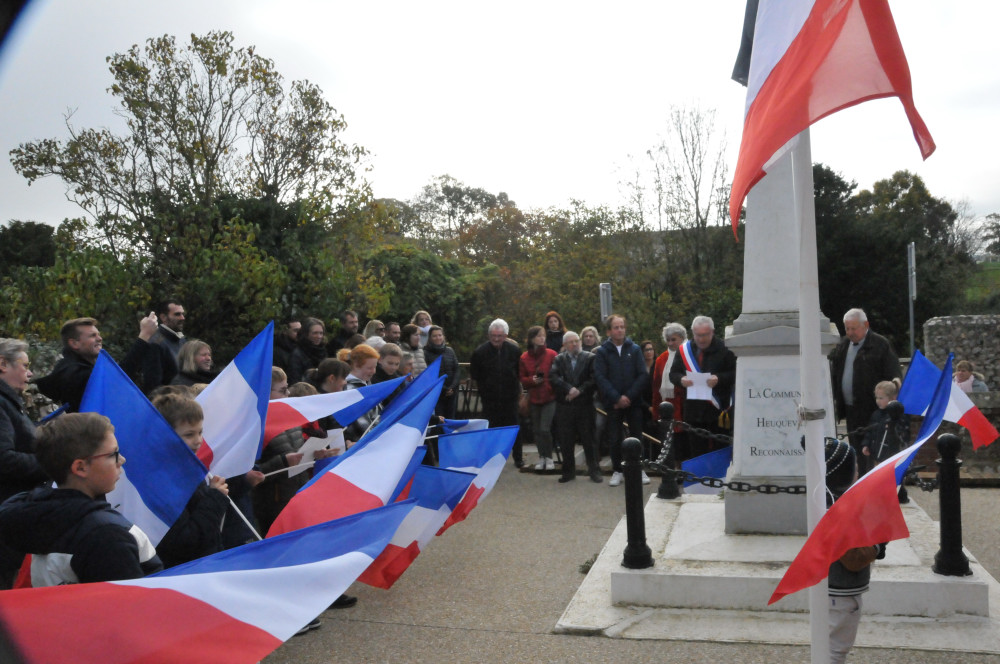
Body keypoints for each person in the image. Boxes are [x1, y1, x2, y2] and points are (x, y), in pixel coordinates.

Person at [0, 412, 163, 586]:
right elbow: (126, 607)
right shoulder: (107, 537)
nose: (121, 460)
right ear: (81, 467)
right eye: (113, 454)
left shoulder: (27, 511)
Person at [824, 437, 886, 664]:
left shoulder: (826, 499)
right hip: (842, 589)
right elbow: (852, 557)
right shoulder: (839, 509)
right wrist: (879, 544)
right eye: (856, 468)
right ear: (844, 473)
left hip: (831, 588)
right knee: (835, 650)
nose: (859, 472)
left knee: (828, 645)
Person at [151, 393, 229, 568]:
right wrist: (215, 498)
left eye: (200, 432)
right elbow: (187, 540)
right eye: (189, 434)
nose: (198, 441)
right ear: (165, 435)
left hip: (204, 565)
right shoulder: (162, 480)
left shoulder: (185, 468)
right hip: (185, 570)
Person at [34, 313, 163, 411]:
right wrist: (144, 336)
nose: (99, 339)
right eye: (92, 336)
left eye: (98, 334)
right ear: (74, 343)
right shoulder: (72, 372)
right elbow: (116, 380)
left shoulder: (81, 367)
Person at [0, 339, 49, 588]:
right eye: (25, 365)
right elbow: (4, 459)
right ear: (2, 364)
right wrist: (51, 462)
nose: (29, 373)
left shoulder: (9, 402)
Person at [829, 308, 901, 474]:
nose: (850, 332)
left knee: (874, 449)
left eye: (854, 328)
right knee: (857, 449)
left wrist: (890, 393)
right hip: (850, 407)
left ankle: (880, 485)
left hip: (872, 408)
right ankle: (862, 482)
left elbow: (894, 372)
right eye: (847, 328)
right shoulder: (843, 344)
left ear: (866, 325)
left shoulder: (880, 344)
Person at [593, 314, 650, 487]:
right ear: (609, 331)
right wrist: (617, 398)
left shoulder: (634, 349)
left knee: (636, 435)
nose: (619, 330)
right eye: (616, 327)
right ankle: (617, 470)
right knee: (615, 437)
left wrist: (629, 397)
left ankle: (639, 468)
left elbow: (642, 375)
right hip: (613, 403)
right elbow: (600, 377)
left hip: (634, 402)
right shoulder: (602, 352)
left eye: (622, 327)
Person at [669, 316, 737, 457]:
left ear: (712, 332)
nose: (701, 339)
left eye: (705, 335)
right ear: (693, 333)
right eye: (698, 335)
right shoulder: (684, 350)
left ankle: (720, 478)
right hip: (694, 410)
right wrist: (681, 380)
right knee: (696, 451)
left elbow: (735, 373)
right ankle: (699, 479)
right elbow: (673, 373)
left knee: (720, 450)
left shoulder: (725, 349)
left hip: (719, 410)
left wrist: (719, 378)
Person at [469, 319, 523, 467]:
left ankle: (518, 458)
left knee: (514, 428)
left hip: (510, 397)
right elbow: (475, 375)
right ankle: (490, 459)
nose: (496, 339)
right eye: (493, 335)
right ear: (489, 335)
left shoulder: (514, 351)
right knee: (490, 429)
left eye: (499, 336)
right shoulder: (480, 352)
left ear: (505, 336)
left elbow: (519, 372)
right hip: (489, 398)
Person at [549, 331, 601, 483]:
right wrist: (568, 389)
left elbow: (594, 378)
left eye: (576, 341)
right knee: (566, 440)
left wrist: (579, 391)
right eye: (571, 342)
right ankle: (568, 471)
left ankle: (594, 470)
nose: (575, 344)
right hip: (565, 406)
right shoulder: (559, 359)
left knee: (589, 439)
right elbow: (553, 377)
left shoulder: (590, 357)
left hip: (585, 404)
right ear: (564, 345)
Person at [861, 379, 911, 503]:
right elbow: (870, 431)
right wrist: (866, 444)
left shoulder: (900, 415)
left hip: (891, 451)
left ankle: (900, 495)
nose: (878, 401)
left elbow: (904, 433)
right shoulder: (876, 414)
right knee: (878, 474)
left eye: (881, 398)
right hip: (877, 450)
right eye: (877, 397)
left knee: (892, 476)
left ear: (892, 397)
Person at [520, 326, 558, 471]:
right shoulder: (524, 357)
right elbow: (522, 378)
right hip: (534, 396)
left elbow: (557, 374)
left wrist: (549, 386)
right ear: (532, 339)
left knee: (544, 429)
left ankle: (549, 457)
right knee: (536, 429)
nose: (542, 338)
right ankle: (541, 456)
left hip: (549, 396)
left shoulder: (551, 354)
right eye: (538, 336)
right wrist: (532, 380)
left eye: (543, 335)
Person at [651, 323, 689, 461]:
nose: (670, 343)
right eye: (668, 340)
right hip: (667, 407)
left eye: (674, 339)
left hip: (684, 406)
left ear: (682, 338)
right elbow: (656, 386)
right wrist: (656, 412)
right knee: (668, 443)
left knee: (683, 442)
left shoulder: (689, 355)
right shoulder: (661, 359)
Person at [343, 344, 381, 441]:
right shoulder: (350, 390)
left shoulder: (366, 384)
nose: (374, 371)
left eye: (375, 367)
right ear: (356, 365)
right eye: (369, 368)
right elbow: (362, 425)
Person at [423, 326, 461, 420]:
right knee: (439, 421)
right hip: (437, 393)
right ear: (430, 338)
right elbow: (428, 375)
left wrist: (452, 387)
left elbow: (456, 369)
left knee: (451, 419)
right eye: (434, 336)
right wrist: (444, 389)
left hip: (452, 392)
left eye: (440, 335)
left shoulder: (450, 351)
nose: (438, 338)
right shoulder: (425, 353)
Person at [287, 317, 328, 384]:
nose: (319, 336)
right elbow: (295, 380)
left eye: (321, 333)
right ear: (306, 334)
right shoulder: (297, 355)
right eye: (315, 333)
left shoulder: (323, 351)